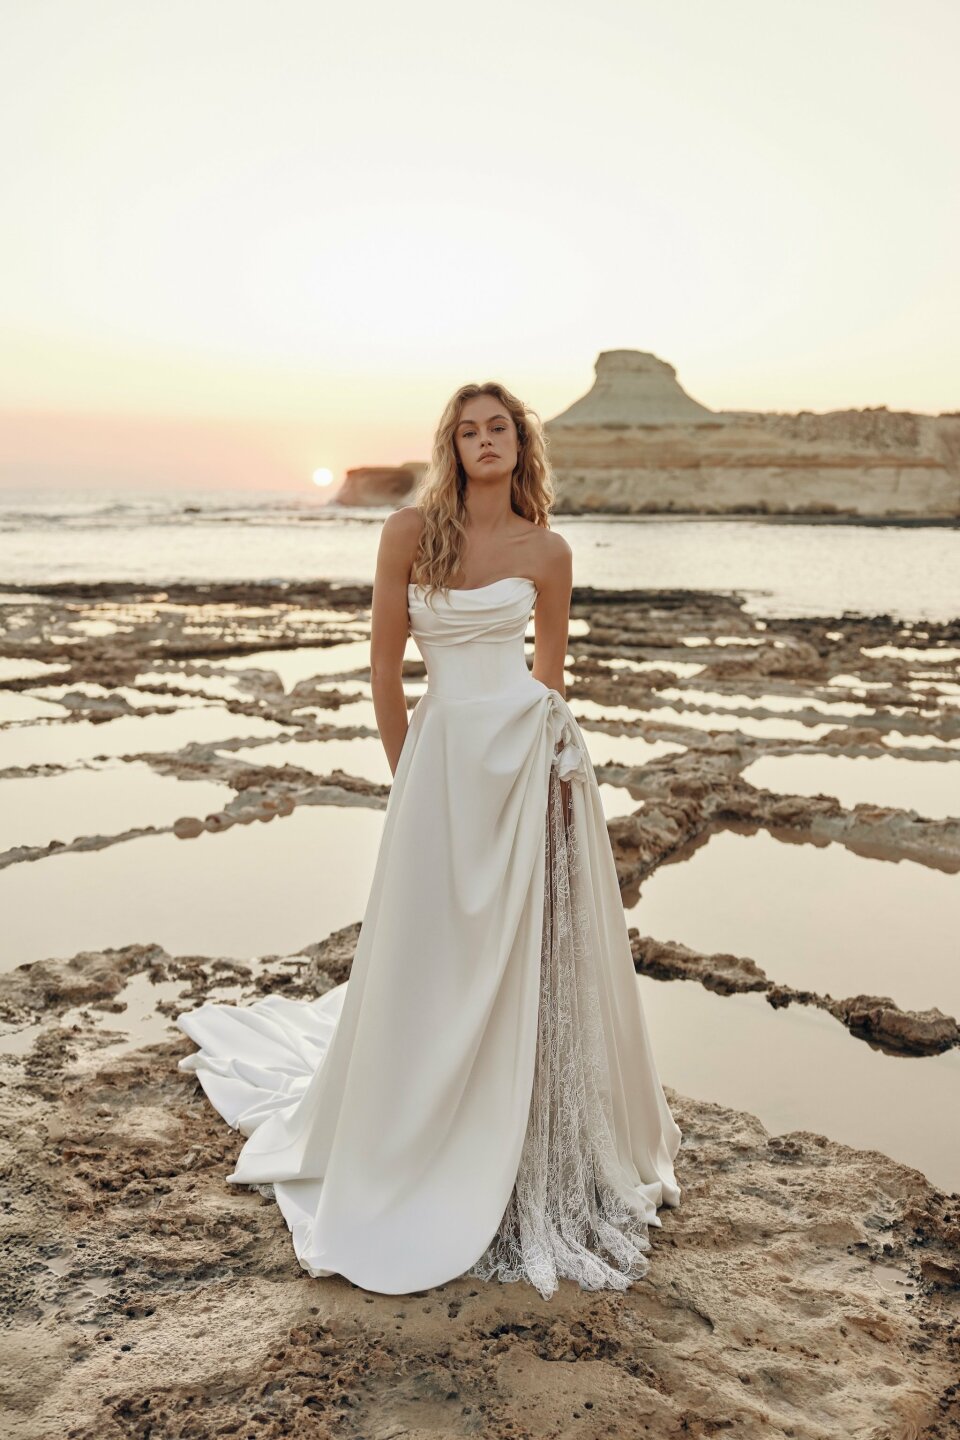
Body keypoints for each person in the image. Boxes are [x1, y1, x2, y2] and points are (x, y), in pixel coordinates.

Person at [176, 380, 682, 1300]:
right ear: (449, 447)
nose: (484, 441)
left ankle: (511, 1128)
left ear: (522, 445)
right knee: (427, 947)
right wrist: (409, 770)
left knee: (514, 951)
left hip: (526, 762)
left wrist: (549, 772)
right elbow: (384, 663)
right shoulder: (410, 534)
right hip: (440, 758)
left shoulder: (551, 550)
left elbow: (549, 682)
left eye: (500, 428)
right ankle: (413, 1120)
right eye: (468, 430)